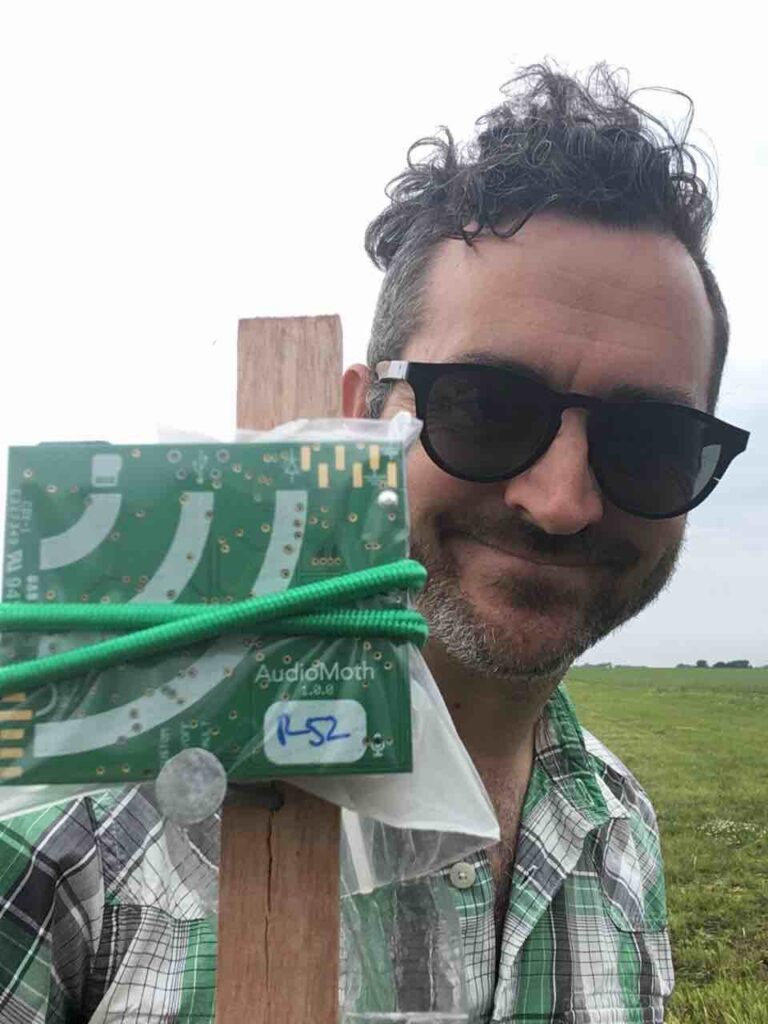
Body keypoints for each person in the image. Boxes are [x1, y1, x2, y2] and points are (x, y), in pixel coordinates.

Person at [0, 63, 749, 1023]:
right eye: (483, 408)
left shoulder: (620, 825)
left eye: (650, 442)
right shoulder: (77, 835)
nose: (562, 502)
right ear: (359, 420)